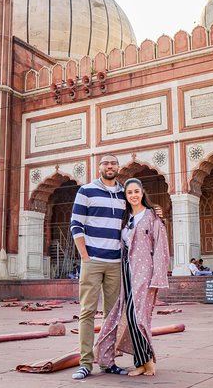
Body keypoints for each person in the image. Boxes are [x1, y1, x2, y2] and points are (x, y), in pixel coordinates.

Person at [94, 178, 170, 377]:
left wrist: (158, 276)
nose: (134, 195)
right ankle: (141, 362)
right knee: (130, 315)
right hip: (127, 271)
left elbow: (161, 246)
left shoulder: (152, 216)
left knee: (138, 317)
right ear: (126, 197)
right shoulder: (126, 218)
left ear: (143, 193)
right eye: (130, 193)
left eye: (137, 191)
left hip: (145, 272)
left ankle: (148, 363)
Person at [69, 154, 126, 380]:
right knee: (88, 312)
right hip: (92, 260)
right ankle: (85, 363)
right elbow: (76, 224)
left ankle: (108, 361)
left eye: (113, 163)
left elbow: (137, 217)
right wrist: (85, 256)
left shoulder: (124, 193)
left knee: (112, 315)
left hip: (115, 262)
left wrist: (156, 212)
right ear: (99, 167)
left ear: (118, 168)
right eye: (106, 163)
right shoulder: (86, 191)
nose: (110, 166)